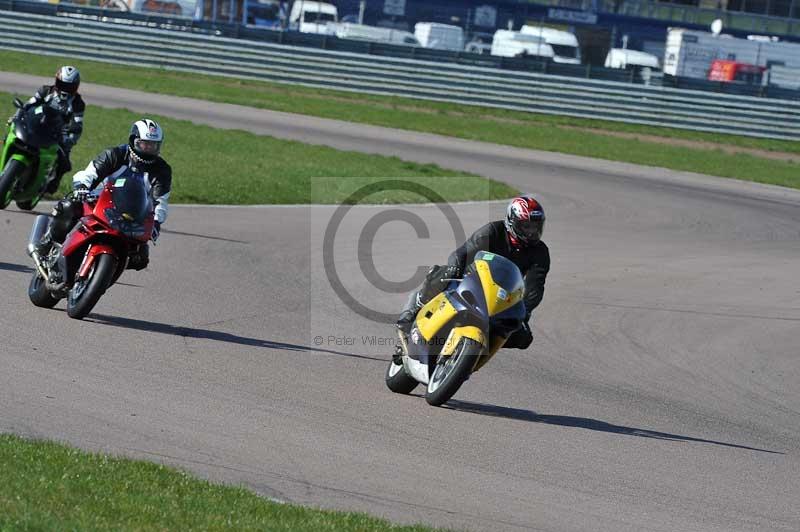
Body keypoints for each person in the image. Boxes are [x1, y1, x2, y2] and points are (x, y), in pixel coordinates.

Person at [396, 195, 550, 350]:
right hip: (472, 279)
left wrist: (526, 311)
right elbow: (462, 253)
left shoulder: (540, 252)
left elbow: (535, 287)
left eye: (535, 226)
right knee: (446, 273)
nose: (532, 232)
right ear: (512, 221)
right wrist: (455, 267)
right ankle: (417, 306)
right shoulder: (493, 231)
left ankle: (476, 354)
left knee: (523, 337)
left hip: (503, 295)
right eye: (526, 226)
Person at [34, 118, 172, 275]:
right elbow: (90, 173)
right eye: (144, 143)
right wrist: (81, 187)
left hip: (132, 213)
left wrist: (156, 223)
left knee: (140, 257)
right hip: (99, 200)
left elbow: (160, 200)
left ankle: (106, 270)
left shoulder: (162, 170)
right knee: (70, 206)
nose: (148, 148)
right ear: (134, 141)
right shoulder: (115, 154)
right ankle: (49, 241)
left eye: (153, 145)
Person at [14, 66, 85, 194]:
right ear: (56, 82)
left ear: (76, 87)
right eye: (62, 84)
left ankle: (54, 181)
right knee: (13, 136)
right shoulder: (45, 91)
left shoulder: (78, 103)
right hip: (37, 124)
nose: (65, 89)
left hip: (58, 134)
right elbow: (29, 104)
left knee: (64, 163)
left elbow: (78, 123)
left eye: (69, 87)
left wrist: (71, 138)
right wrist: (17, 116)